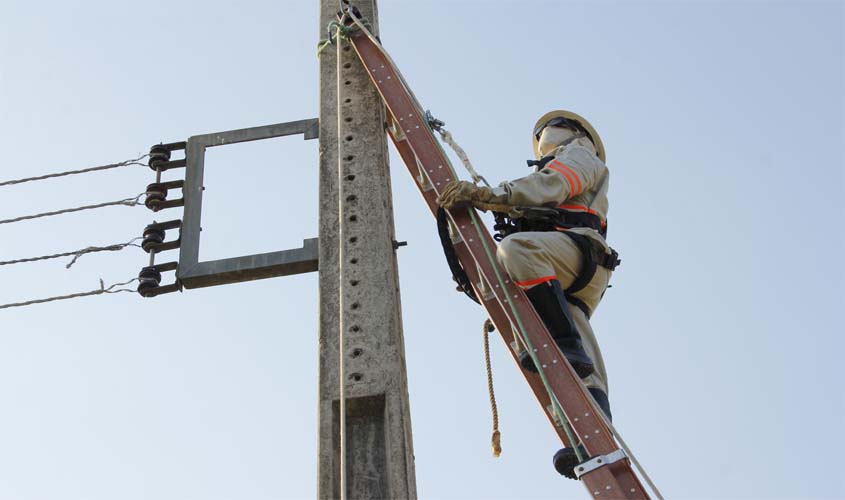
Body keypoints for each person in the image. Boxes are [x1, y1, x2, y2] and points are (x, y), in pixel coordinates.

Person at [436, 110, 619, 479]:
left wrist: (490, 196)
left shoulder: (580, 153)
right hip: (567, 265)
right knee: (556, 348)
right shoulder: (552, 169)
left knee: (518, 252)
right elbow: (542, 194)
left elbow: (553, 185)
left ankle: (565, 343)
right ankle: (586, 435)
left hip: (573, 253)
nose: (543, 136)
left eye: (547, 131)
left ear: (571, 132)